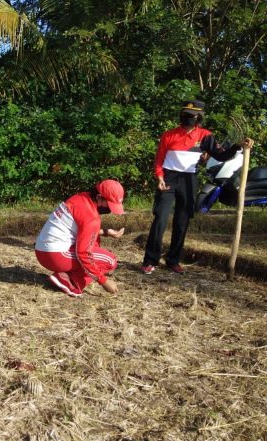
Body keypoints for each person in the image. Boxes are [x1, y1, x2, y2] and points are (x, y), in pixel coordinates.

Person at [140, 100, 254, 274]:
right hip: (168, 179)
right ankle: (150, 260)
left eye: (192, 116)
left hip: (188, 180)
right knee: (160, 219)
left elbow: (221, 155)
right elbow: (159, 159)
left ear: (199, 117)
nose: (188, 118)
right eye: (186, 114)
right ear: (181, 115)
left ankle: (173, 260)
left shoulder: (205, 136)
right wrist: (160, 177)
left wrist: (238, 146)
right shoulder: (169, 135)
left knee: (182, 221)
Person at [35, 180, 126, 297]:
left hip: (43, 250)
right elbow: (83, 254)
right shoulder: (91, 217)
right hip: (55, 255)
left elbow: (81, 231)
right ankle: (71, 281)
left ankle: (67, 275)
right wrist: (104, 281)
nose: (110, 210)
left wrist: (106, 232)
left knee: (95, 244)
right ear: (99, 197)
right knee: (110, 261)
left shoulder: (81, 198)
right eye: (109, 205)